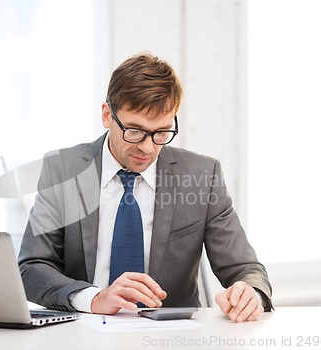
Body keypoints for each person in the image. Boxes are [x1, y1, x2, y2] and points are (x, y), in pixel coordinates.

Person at [18, 53, 272, 322]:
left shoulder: (202, 176)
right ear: (107, 115)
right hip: (83, 331)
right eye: (135, 131)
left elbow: (246, 268)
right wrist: (94, 298)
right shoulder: (62, 171)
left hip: (172, 336)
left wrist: (250, 293)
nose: (148, 148)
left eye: (162, 132)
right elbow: (32, 267)